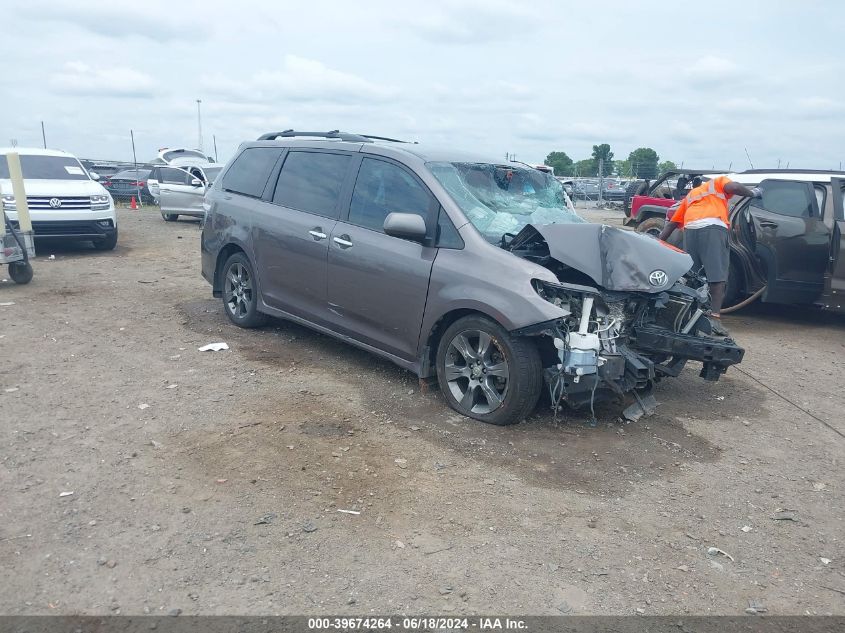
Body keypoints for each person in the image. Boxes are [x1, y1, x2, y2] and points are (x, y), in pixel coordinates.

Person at [658, 175, 761, 320]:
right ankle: (714, 317)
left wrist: (657, 243)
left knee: (692, 275)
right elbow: (735, 188)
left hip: (691, 229)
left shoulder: (692, 195)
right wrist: (753, 193)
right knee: (717, 274)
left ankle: (688, 315)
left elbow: (671, 224)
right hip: (713, 227)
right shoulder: (718, 182)